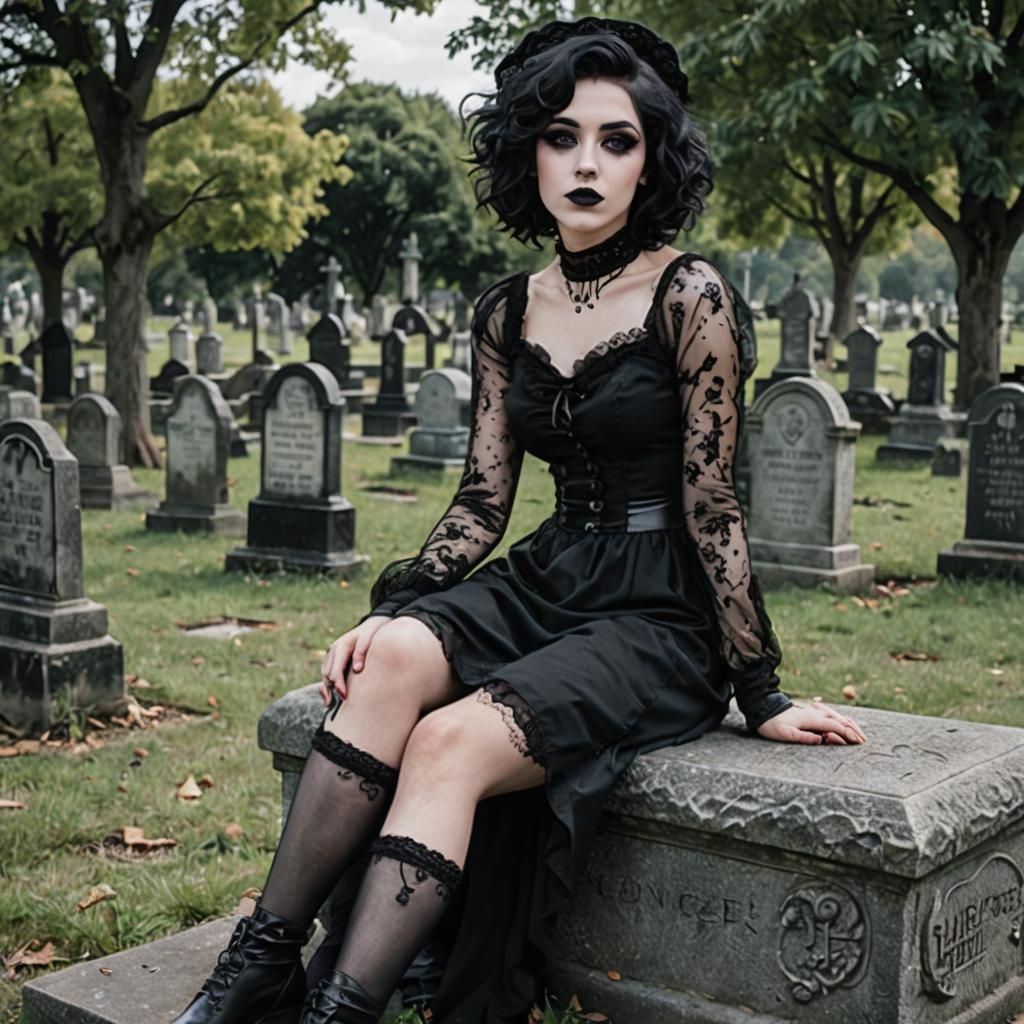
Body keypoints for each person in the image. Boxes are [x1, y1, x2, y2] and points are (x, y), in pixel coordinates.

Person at [173, 16, 867, 1024]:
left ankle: (342, 1010)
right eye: (560, 135)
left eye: (616, 140)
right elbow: (484, 498)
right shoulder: (508, 309)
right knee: (387, 664)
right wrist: (398, 608)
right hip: (550, 571)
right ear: (525, 153)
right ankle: (259, 964)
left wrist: (757, 689)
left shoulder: (690, 293)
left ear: (649, 160)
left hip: (655, 610)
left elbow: (712, 500)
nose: (586, 162)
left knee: (451, 743)